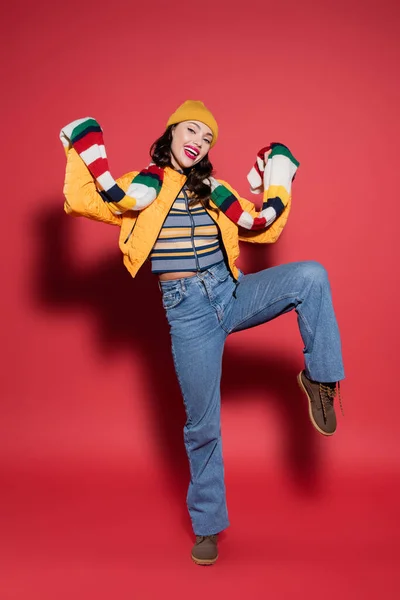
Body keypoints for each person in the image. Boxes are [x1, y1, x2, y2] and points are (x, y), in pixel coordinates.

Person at [60, 100, 345, 566]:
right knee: (202, 425)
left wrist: (279, 181)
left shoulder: (215, 189)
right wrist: (77, 149)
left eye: (207, 137)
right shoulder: (138, 188)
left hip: (231, 291)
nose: (198, 141)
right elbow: (81, 200)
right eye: (191, 130)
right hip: (187, 313)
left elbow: (264, 231)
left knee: (311, 275)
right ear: (171, 132)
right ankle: (208, 526)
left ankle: (322, 378)